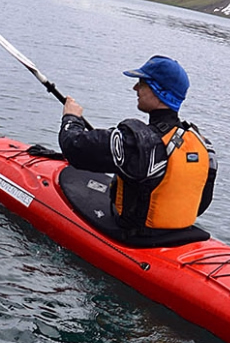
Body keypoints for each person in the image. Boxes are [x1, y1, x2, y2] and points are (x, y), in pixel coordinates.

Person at [58, 55, 215, 239]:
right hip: (179, 235)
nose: (135, 88)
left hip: (137, 237)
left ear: (159, 91)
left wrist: (72, 118)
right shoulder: (203, 145)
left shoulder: (137, 143)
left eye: (142, 83)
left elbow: (72, 147)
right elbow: (201, 204)